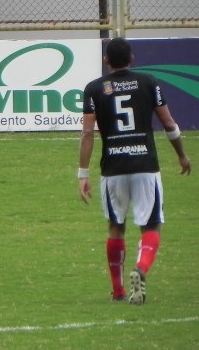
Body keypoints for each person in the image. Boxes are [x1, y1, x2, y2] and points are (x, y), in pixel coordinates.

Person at [78, 37, 191, 304]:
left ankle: (117, 291)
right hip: (145, 166)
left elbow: (86, 133)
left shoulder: (94, 88)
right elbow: (169, 124)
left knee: (116, 227)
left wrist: (83, 173)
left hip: (113, 168)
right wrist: (182, 155)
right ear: (132, 59)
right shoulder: (148, 82)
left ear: (106, 61)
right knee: (151, 225)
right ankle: (140, 268)